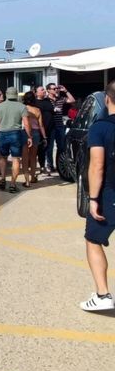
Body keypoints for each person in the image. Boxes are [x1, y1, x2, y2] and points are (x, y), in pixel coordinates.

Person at [80, 80, 115, 311]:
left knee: (93, 240)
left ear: (107, 98)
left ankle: (102, 296)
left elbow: (97, 166)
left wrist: (93, 200)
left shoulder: (100, 127)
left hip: (108, 194)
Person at [0, 86, 32, 193]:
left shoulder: (0, 106)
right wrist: (29, 136)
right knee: (16, 159)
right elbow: (26, 123)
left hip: (2, 134)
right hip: (16, 133)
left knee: (3, 157)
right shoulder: (22, 106)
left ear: (6, 94)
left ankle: (3, 178)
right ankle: (13, 184)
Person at [48, 83, 76, 173]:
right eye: (54, 88)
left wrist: (65, 91)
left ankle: (59, 166)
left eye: (57, 88)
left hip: (59, 125)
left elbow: (72, 100)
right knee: (50, 147)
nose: (56, 90)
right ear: (48, 90)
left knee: (61, 146)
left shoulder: (60, 99)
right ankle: (50, 165)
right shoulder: (46, 100)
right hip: (50, 126)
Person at [21, 91, 46, 186]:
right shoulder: (37, 110)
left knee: (25, 157)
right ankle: (32, 177)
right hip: (36, 133)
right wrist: (44, 137)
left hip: (24, 132)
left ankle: (26, 179)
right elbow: (41, 125)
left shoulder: (23, 108)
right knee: (33, 156)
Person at [34, 85, 55, 175]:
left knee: (49, 148)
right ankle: (41, 166)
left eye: (44, 89)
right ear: (36, 93)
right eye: (42, 90)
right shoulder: (34, 102)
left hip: (51, 128)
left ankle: (48, 165)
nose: (44, 91)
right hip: (40, 129)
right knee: (40, 149)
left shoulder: (48, 100)